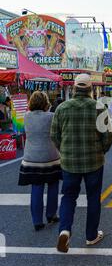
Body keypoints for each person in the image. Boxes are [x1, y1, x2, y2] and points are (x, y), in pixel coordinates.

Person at [51, 74, 112, 253]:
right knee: (93, 197)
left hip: (70, 162)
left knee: (69, 197)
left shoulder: (62, 108)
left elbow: (54, 135)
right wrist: (101, 150)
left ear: (74, 88)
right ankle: (91, 235)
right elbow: (108, 136)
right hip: (94, 161)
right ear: (91, 89)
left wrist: (64, 150)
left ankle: (64, 230)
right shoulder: (99, 107)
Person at [18, 92, 61, 231]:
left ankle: (37, 221)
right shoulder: (51, 117)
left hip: (31, 157)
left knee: (36, 188)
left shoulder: (26, 116)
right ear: (45, 103)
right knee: (53, 185)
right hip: (50, 156)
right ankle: (51, 214)